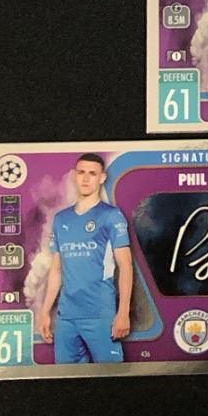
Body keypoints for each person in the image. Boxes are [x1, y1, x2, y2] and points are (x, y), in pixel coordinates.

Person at [39, 153, 134, 365]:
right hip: (66, 317)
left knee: (110, 377)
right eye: (81, 172)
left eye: (92, 173)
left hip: (100, 315)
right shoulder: (61, 219)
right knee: (66, 379)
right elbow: (56, 269)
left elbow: (126, 266)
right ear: (74, 175)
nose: (85, 178)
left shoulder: (111, 216)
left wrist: (123, 312)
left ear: (102, 178)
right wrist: (45, 312)